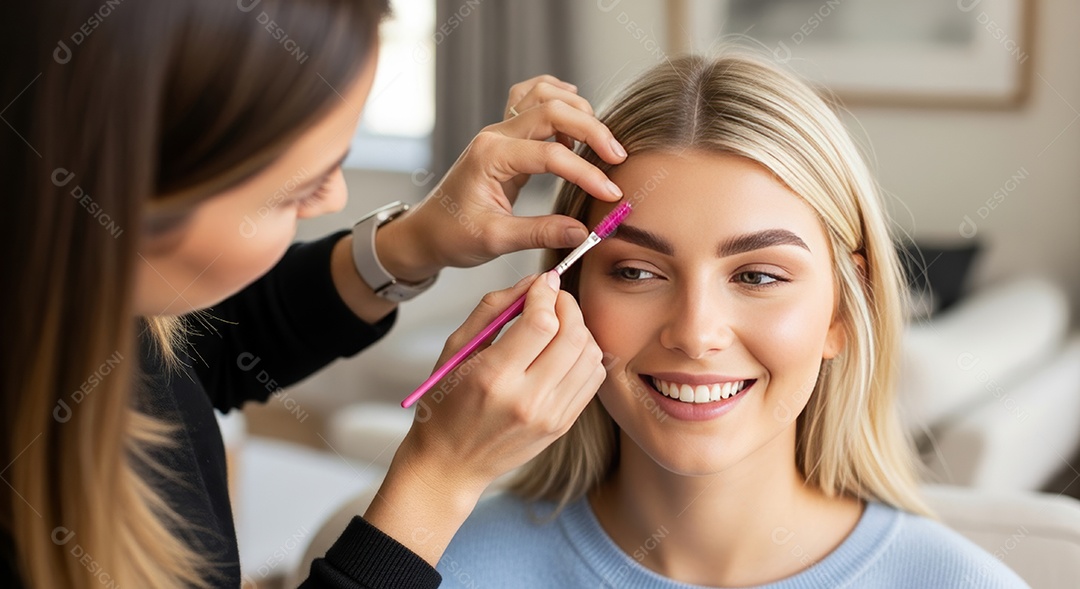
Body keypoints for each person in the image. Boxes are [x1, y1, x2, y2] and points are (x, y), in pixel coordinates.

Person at [0, 1, 628, 587]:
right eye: (297, 190)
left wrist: (413, 244)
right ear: (124, 197)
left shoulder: (96, 310)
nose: (332, 200)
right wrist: (438, 478)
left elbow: (204, 350)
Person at [436, 53, 1030, 588]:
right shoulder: (439, 562)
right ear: (567, 293)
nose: (695, 335)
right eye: (637, 272)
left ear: (843, 311)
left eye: (758, 277)